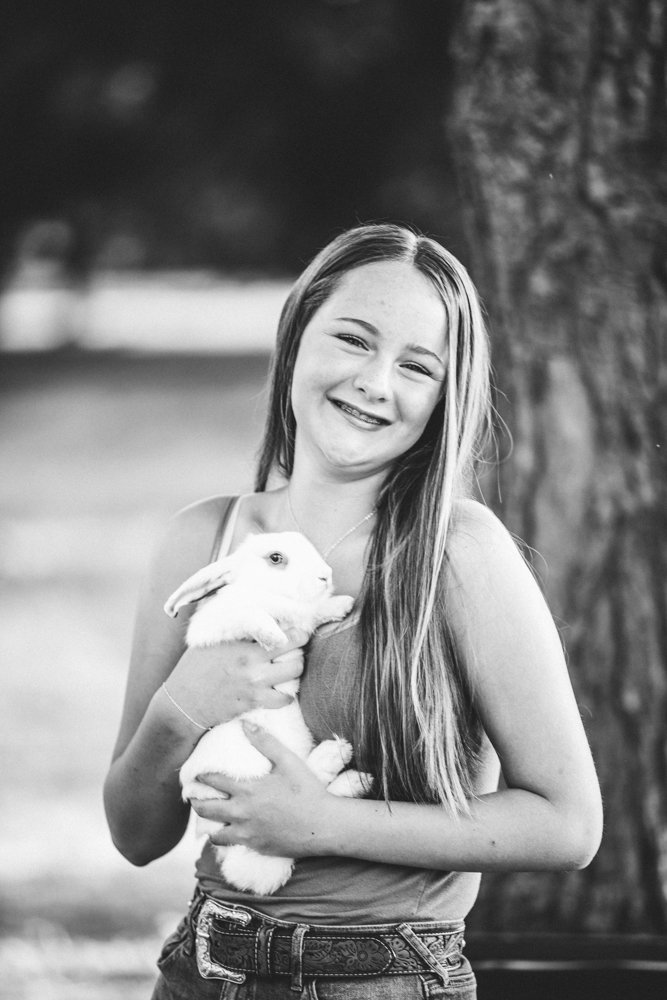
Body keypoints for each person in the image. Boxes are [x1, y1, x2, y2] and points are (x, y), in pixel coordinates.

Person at [104, 223, 603, 1000]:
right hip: (203, 970)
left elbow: (568, 825)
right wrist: (180, 709)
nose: (375, 381)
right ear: (298, 333)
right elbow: (135, 835)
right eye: (353, 340)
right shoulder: (203, 539)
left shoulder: (458, 552)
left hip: (385, 980)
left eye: (416, 366)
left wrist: (323, 825)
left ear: (444, 397)